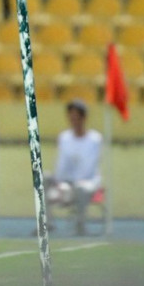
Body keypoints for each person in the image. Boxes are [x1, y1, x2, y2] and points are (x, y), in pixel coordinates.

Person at [46, 100, 102, 237]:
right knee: (44, 176)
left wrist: (76, 182)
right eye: (71, 116)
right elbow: (61, 162)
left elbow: (90, 165)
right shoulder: (64, 138)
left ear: (83, 118)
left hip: (88, 183)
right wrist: (59, 182)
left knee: (81, 187)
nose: (73, 120)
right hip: (66, 184)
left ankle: (80, 226)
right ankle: (47, 223)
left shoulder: (95, 139)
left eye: (76, 116)